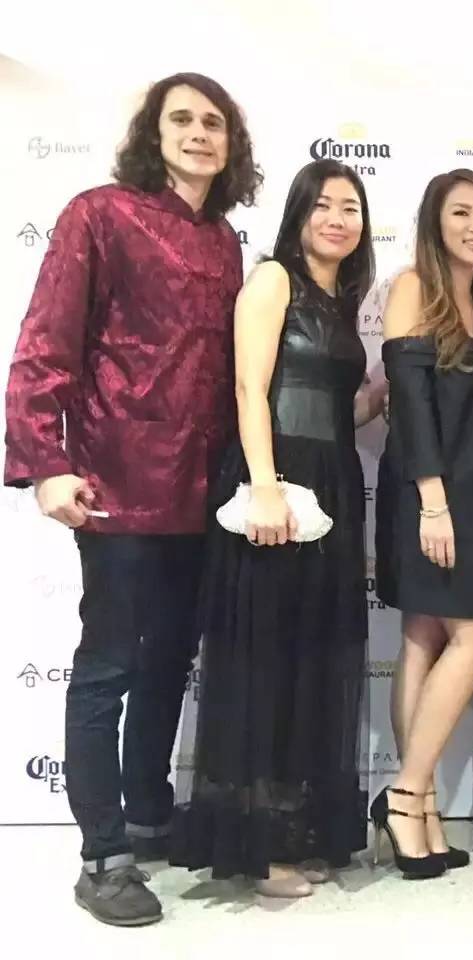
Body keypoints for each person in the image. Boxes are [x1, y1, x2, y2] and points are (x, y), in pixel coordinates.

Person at [2, 72, 258, 926]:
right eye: (182, 119)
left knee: (168, 663)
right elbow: (44, 344)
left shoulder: (224, 241)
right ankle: (102, 855)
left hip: (202, 492)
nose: (199, 134)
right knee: (109, 667)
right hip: (115, 485)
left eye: (214, 122)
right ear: (154, 133)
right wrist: (45, 463)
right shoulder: (99, 215)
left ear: (231, 144)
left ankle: (148, 814)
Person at [169, 160, 381, 896]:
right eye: (323, 205)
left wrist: (382, 397)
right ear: (298, 214)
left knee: (313, 658)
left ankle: (298, 828)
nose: (337, 219)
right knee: (267, 660)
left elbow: (326, 405)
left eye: (350, 207)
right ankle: (258, 849)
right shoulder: (272, 280)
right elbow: (249, 388)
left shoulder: (340, 299)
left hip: (333, 486)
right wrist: (264, 486)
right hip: (276, 483)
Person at [371, 169, 473, 879]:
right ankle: (405, 797)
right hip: (428, 496)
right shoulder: (412, 288)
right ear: (434, 222)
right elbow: (413, 402)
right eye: (460, 213)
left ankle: (419, 809)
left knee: (425, 635)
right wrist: (433, 501)